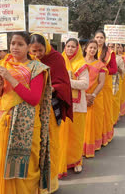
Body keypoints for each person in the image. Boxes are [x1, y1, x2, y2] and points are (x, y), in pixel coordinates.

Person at [0, 32, 52, 194]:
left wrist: (9, 78)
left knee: (26, 170)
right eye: (13, 43)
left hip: (26, 127)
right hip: (4, 122)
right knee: (0, 164)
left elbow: (34, 99)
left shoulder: (37, 68)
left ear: (28, 47)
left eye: (20, 44)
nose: (15, 47)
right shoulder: (3, 65)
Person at [29, 33, 73, 193]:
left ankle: (50, 183)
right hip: (32, 108)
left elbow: (64, 83)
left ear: (46, 46)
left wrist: (52, 88)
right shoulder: (28, 60)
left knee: (50, 143)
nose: (37, 55)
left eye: (40, 50)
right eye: (33, 51)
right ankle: (35, 184)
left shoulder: (56, 58)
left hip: (51, 106)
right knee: (35, 145)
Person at [58, 38, 89, 175]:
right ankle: (61, 161)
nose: (69, 49)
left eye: (72, 47)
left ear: (77, 49)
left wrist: (68, 82)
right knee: (62, 136)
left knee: (75, 136)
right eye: (68, 46)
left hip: (77, 106)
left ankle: (77, 161)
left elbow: (84, 84)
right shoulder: (59, 61)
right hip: (62, 103)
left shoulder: (81, 64)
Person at [82, 40, 106, 158]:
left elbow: (101, 83)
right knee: (81, 123)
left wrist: (93, 96)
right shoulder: (79, 63)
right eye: (90, 48)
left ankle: (92, 146)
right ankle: (80, 147)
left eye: (94, 48)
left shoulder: (100, 64)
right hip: (80, 96)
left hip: (93, 97)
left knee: (93, 122)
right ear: (85, 49)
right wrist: (83, 95)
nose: (92, 50)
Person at [94, 30, 117, 146]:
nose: (99, 40)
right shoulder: (90, 50)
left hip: (105, 85)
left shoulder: (109, 53)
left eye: (101, 37)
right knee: (94, 112)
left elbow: (114, 69)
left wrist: (103, 71)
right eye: (97, 37)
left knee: (104, 110)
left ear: (104, 39)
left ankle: (104, 136)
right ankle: (94, 137)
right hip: (92, 85)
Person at [112, 44, 125, 124]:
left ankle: (114, 118)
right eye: (110, 46)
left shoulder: (119, 58)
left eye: (113, 47)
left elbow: (122, 71)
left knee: (114, 100)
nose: (112, 48)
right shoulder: (104, 56)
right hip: (105, 82)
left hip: (115, 81)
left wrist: (115, 67)